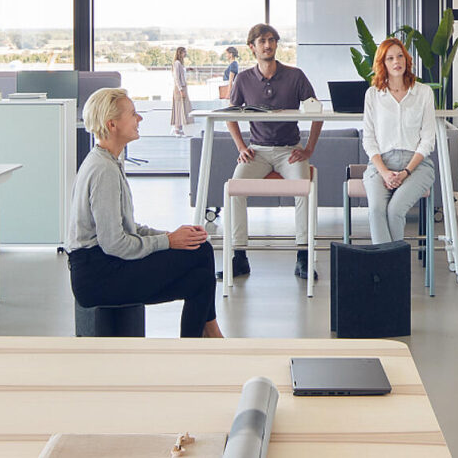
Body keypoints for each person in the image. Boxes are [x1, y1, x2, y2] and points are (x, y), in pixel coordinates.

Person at [66, 87, 223, 338]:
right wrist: (168, 242)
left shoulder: (108, 161)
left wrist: (172, 236)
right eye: (133, 114)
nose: (139, 119)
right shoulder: (103, 171)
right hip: (97, 274)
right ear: (112, 124)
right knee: (200, 259)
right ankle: (211, 338)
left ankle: (201, 343)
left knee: (199, 267)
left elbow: (128, 227)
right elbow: (115, 244)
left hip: (104, 264)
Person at [223, 23, 322, 280]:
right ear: (252, 47)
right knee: (234, 190)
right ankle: (239, 256)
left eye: (271, 40)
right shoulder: (244, 79)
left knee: (304, 192)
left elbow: (317, 112)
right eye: (262, 41)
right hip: (257, 151)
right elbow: (230, 116)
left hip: (290, 150)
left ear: (276, 44)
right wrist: (241, 147)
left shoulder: (295, 75)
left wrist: (309, 148)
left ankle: (303, 256)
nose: (268, 45)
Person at [361, 37, 436, 243]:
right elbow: (368, 139)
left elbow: (428, 139)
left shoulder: (423, 93)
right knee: (376, 210)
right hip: (380, 166)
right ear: (382, 64)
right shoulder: (373, 95)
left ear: (407, 59)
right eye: (390, 58)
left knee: (394, 211)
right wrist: (385, 173)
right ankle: (390, 271)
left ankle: (388, 271)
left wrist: (405, 173)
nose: (397, 62)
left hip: (417, 166)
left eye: (400, 56)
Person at [170, 46, 192, 137]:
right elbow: (176, 78)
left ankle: (179, 128)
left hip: (182, 87)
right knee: (179, 107)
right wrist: (181, 89)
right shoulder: (177, 63)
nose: (185, 54)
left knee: (182, 107)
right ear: (180, 53)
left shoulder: (180, 64)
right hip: (180, 88)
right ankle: (177, 129)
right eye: (184, 52)